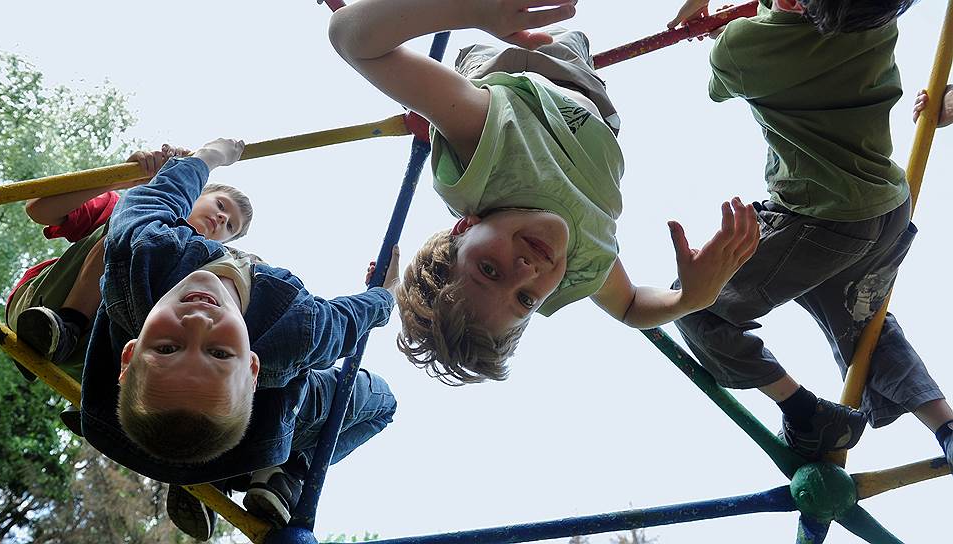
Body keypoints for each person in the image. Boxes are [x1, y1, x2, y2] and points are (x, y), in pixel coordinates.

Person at [329, 0, 760, 385]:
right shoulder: (582, 261)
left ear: (464, 227)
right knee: (570, 35)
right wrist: (688, 299)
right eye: (525, 299)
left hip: (516, 62)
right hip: (582, 77)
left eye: (489, 270)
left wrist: (470, 8)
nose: (525, 272)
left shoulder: (487, 150)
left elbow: (350, 36)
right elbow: (630, 307)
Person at [666, 0, 953, 468]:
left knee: (694, 301)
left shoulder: (740, 50)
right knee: (863, 324)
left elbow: (726, 78)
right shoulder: (874, 17)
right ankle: (947, 426)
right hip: (885, 208)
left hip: (820, 218)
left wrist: (726, 25)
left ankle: (803, 411)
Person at [74, 138, 399, 538]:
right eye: (219, 352)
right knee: (383, 401)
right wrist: (386, 293)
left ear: (130, 355)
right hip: (272, 430)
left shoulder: (146, 255)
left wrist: (209, 157)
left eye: (168, 347)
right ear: (252, 366)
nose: (197, 321)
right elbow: (345, 322)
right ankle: (286, 473)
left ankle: (215, 475)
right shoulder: (298, 327)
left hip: (140, 425)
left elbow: (154, 198)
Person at [7, 145, 253, 380]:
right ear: (194, 191)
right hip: (41, 306)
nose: (222, 217)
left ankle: (114, 392)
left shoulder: (199, 270)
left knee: (205, 290)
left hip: (89, 359)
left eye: (231, 226)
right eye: (220, 205)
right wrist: (122, 179)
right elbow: (39, 208)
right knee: (136, 228)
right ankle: (70, 321)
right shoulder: (124, 210)